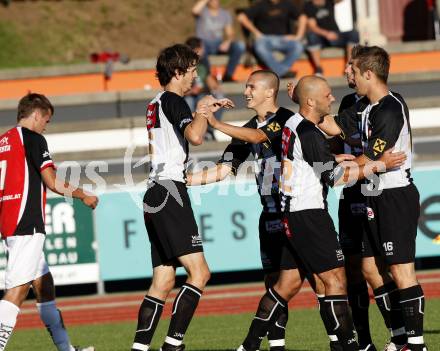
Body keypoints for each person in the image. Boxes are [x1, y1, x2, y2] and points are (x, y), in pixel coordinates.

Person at [318, 46, 428, 351]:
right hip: (372, 194)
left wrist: (346, 168)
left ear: (368, 73)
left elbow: (371, 159)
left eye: (351, 68)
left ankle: (415, 344)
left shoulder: (390, 108)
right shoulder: (364, 106)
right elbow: (341, 131)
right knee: (369, 267)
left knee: (401, 270)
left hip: (393, 195)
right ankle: (400, 335)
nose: (346, 72)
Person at [130, 44, 233, 351]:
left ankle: (139, 348)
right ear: (177, 72)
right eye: (190, 71)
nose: (194, 76)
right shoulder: (175, 100)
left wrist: (202, 111)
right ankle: (172, 345)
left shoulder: (155, 102)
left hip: (154, 191)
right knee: (200, 273)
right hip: (169, 190)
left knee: (162, 283)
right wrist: (202, 110)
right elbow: (196, 137)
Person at [188, 69, 300, 351]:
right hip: (269, 216)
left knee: (318, 283)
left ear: (268, 92)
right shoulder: (248, 127)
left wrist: (214, 122)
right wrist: (183, 180)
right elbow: (224, 169)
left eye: (251, 87)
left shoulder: (286, 120)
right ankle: (277, 345)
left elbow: (259, 136)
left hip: (296, 215)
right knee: (273, 282)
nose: (246, 91)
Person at [0, 93, 98, 351]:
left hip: (11, 221)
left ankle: (66, 349)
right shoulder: (33, 138)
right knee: (16, 291)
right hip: (27, 223)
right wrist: (83, 194)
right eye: (46, 119)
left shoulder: (4, 141)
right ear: (36, 114)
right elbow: (52, 181)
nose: (46, 125)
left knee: (45, 286)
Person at [237, 0, 307, 78]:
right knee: (260, 47)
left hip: (283, 39)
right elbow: (241, 17)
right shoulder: (260, 5)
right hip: (265, 39)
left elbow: (303, 17)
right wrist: (256, 32)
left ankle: (279, 71)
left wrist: (298, 36)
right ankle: (282, 72)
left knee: (298, 46)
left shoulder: (287, 4)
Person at [192, 0, 245, 82]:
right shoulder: (202, 11)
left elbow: (230, 33)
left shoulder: (225, 14)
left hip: (218, 43)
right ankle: (208, 77)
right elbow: (194, 10)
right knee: (199, 50)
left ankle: (228, 75)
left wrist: (228, 42)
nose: (215, 1)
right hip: (203, 43)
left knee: (240, 46)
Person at [184, 36, 225, 140]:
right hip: (189, 95)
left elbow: (207, 77)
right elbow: (179, 87)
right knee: (189, 102)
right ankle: (192, 132)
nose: (204, 50)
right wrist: (191, 91)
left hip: (202, 93)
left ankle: (209, 131)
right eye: (202, 48)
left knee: (219, 98)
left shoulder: (204, 60)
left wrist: (215, 87)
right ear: (196, 50)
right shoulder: (183, 63)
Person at [304, 0, 360, 76]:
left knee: (353, 34)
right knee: (311, 36)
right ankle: (318, 68)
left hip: (335, 34)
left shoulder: (329, 1)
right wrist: (326, 34)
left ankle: (349, 66)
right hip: (321, 38)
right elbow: (312, 26)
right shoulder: (308, 6)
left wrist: (331, 34)